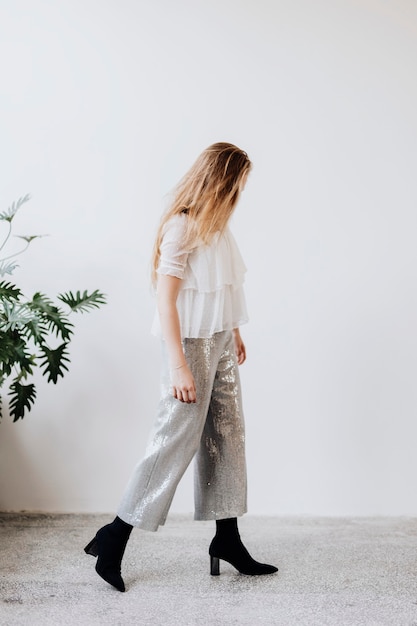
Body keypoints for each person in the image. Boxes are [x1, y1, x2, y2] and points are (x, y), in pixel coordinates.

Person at [84, 142, 278, 591]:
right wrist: (178, 366)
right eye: (237, 185)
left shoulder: (219, 230)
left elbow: (219, 291)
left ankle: (227, 539)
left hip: (219, 342)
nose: (239, 194)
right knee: (174, 438)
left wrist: (232, 332)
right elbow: (166, 301)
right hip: (188, 347)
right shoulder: (182, 228)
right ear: (221, 181)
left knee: (228, 434)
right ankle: (113, 537)